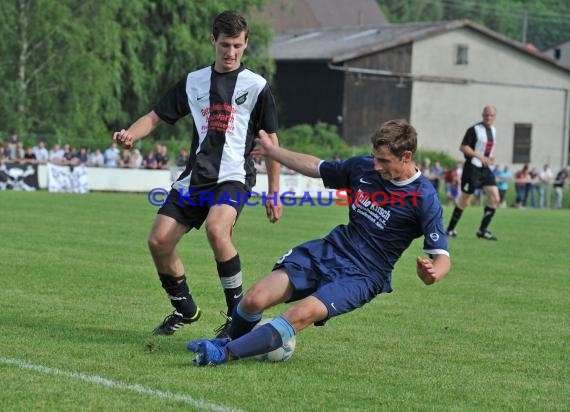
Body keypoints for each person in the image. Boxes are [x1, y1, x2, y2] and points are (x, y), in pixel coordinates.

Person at [186, 119, 451, 366]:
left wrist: (433, 273)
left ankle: (224, 353)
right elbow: (316, 167)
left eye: (384, 161)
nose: (377, 166)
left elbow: (442, 256)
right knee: (254, 299)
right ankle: (227, 341)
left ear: (406, 157)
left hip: (363, 275)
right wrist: (273, 151)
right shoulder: (363, 168)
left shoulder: (424, 197)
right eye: (374, 158)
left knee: (300, 314)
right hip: (330, 250)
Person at [113, 10, 282, 338]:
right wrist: (131, 134)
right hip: (196, 177)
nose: (230, 52)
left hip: (233, 176)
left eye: (237, 45)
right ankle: (185, 310)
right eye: (224, 45)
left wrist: (275, 192)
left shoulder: (257, 87)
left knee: (218, 231)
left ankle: (238, 319)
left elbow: (271, 142)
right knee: (158, 241)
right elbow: (155, 116)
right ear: (212, 42)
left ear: (246, 44)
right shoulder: (193, 82)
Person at [446, 106, 500, 240]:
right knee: (465, 200)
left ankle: (482, 230)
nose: (488, 117)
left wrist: (491, 158)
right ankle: (450, 229)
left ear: (495, 117)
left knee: (495, 197)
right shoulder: (474, 129)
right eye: (486, 115)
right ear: (482, 115)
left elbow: (487, 150)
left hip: (485, 169)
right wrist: (480, 156)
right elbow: (463, 147)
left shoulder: (493, 130)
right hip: (472, 168)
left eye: (491, 115)